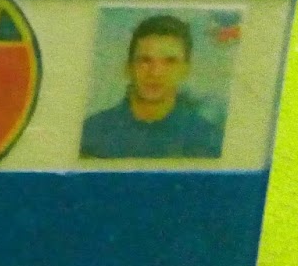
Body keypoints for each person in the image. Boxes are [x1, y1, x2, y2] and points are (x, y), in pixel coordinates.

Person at [79, 14, 223, 159]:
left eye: (170, 61)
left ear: (186, 70)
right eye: (145, 60)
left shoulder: (209, 140)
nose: (155, 73)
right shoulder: (90, 134)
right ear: (128, 67)